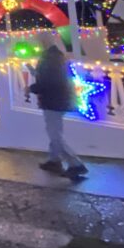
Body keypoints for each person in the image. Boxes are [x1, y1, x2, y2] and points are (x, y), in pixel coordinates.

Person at [29, 34, 88, 178]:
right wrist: (34, 72)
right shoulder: (52, 56)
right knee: (54, 132)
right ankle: (54, 160)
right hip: (55, 100)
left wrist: (31, 88)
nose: (38, 44)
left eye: (40, 41)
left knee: (55, 135)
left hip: (54, 101)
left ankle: (76, 164)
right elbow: (47, 77)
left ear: (46, 41)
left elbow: (49, 82)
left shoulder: (51, 58)